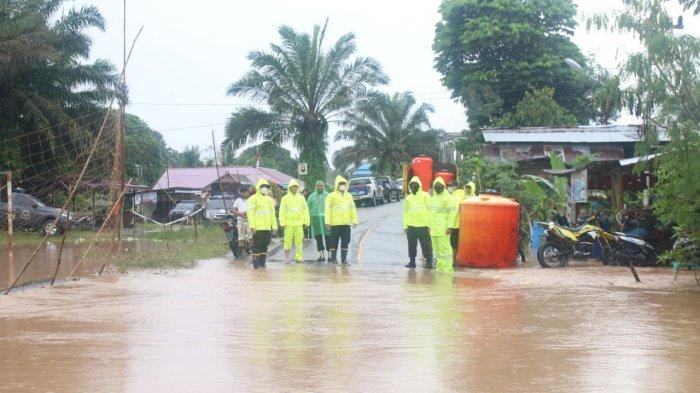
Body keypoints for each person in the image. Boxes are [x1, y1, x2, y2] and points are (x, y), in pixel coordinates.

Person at [325, 175, 358, 265]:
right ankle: (334, 259)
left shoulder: (348, 196)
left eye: (343, 184)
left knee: (345, 242)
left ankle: (344, 260)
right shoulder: (331, 196)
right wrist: (327, 222)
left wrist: (355, 220)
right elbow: (327, 209)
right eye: (340, 184)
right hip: (335, 224)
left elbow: (352, 208)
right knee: (334, 242)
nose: (342, 185)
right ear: (336, 185)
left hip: (346, 223)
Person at [402, 176, 433, 269]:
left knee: (426, 245)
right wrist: (405, 226)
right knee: (411, 245)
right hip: (411, 226)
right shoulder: (408, 198)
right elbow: (405, 213)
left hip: (423, 225)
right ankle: (412, 261)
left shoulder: (426, 196)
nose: (413, 187)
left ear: (419, 186)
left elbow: (431, 211)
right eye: (412, 186)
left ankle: (428, 261)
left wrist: (430, 225)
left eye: (415, 185)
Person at [247, 179, 278, 268]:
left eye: (266, 187)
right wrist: (252, 226)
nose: (264, 188)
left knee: (265, 245)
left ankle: (262, 263)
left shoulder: (269, 200)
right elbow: (250, 213)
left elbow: (272, 214)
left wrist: (274, 226)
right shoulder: (253, 199)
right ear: (259, 187)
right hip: (258, 227)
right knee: (257, 246)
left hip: (267, 227)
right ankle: (256, 265)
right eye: (263, 187)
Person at [428, 177, 457, 272]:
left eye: (439, 187)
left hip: (443, 229)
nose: (437, 189)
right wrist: (429, 226)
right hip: (434, 230)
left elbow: (452, 213)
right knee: (437, 250)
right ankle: (440, 267)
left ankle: (447, 268)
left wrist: (449, 227)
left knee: (445, 250)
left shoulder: (448, 198)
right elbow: (430, 213)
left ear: (443, 187)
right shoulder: (433, 198)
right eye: (436, 188)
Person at [279, 179, 310, 264]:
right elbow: (282, 211)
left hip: (299, 223)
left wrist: (306, 222)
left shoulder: (301, 198)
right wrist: (282, 223)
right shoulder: (285, 198)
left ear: (298, 188)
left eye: (296, 187)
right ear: (289, 188)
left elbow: (305, 210)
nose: (294, 188)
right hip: (288, 224)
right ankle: (287, 258)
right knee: (287, 241)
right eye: (292, 187)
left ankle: (299, 257)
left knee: (299, 241)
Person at [450, 181, 476, 263]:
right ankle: (454, 259)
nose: (468, 190)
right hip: (459, 224)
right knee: (454, 242)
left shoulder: (475, 199)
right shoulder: (463, 198)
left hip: (469, 225)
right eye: (467, 188)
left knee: (467, 243)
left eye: (470, 188)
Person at [307, 180, 331, 261]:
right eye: (318, 185)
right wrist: (309, 218)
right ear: (315, 186)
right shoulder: (311, 197)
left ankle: (330, 254)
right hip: (316, 219)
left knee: (328, 237)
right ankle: (321, 255)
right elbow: (307, 208)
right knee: (318, 237)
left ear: (324, 186)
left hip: (326, 219)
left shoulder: (328, 195)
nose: (320, 187)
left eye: (321, 185)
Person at [232, 188, 251, 257]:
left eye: (246, 192)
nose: (245, 194)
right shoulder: (237, 200)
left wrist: (246, 213)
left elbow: (254, 210)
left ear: (248, 192)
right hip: (240, 220)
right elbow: (233, 210)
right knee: (241, 238)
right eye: (243, 192)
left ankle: (249, 249)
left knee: (250, 237)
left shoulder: (251, 200)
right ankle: (239, 256)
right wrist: (240, 214)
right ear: (240, 193)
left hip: (250, 220)